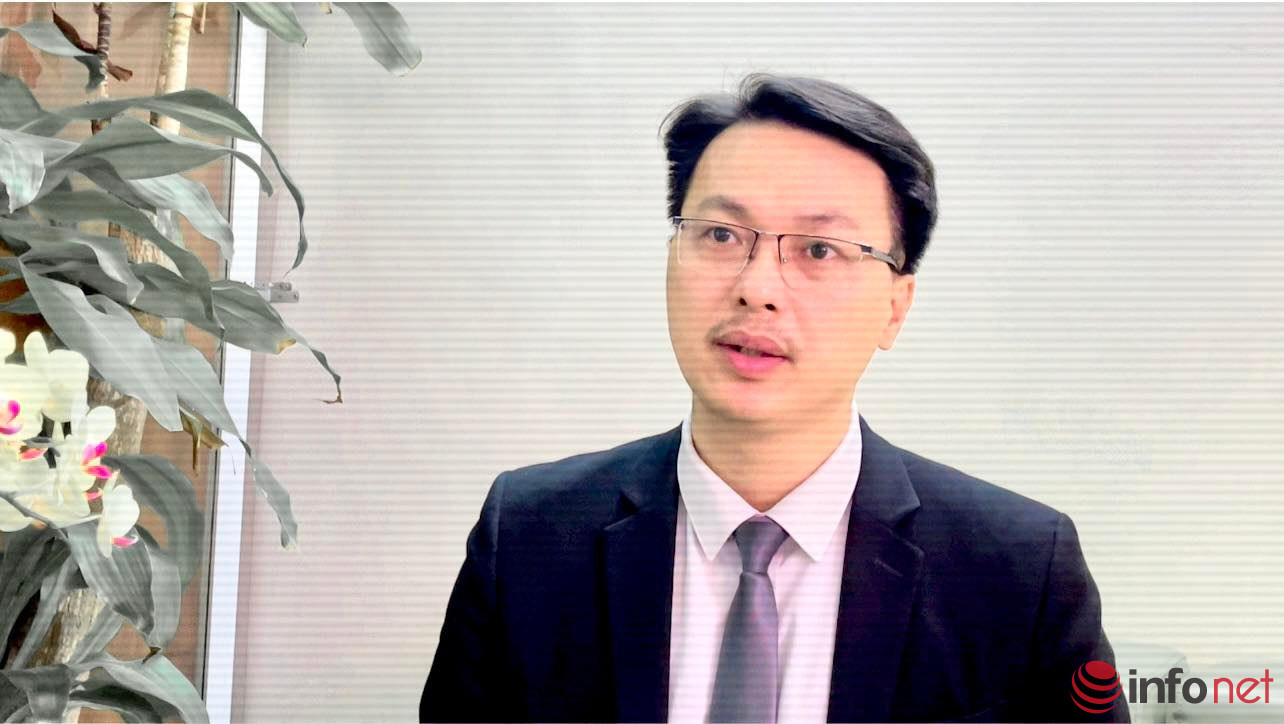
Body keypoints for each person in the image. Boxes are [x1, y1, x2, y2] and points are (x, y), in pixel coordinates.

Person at [420, 74, 1126, 723]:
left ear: (895, 307)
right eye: (721, 235)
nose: (757, 287)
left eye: (818, 250)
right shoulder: (530, 537)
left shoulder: (1018, 572)